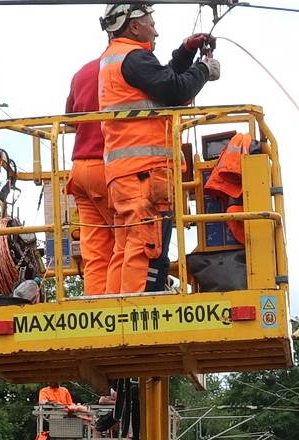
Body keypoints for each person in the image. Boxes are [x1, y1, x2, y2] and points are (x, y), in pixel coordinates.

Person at [98, 3, 220, 294]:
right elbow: (176, 90)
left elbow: (162, 82)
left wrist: (186, 52)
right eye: (151, 22)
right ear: (134, 25)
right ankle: (137, 311)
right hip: (144, 175)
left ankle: (116, 311)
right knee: (146, 249)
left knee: (126, 248)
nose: (156, 29)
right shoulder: (133, 58)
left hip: (127, 175)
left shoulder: (120, 59)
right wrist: (204, 69)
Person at [65, 36, 115, 295]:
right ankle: (124, 312)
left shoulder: (82, 72)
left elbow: (70, 118)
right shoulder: (130, 69)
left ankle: (97, 306)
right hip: (112, 170)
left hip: (80, 170)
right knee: (130, 245)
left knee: (95, 253)